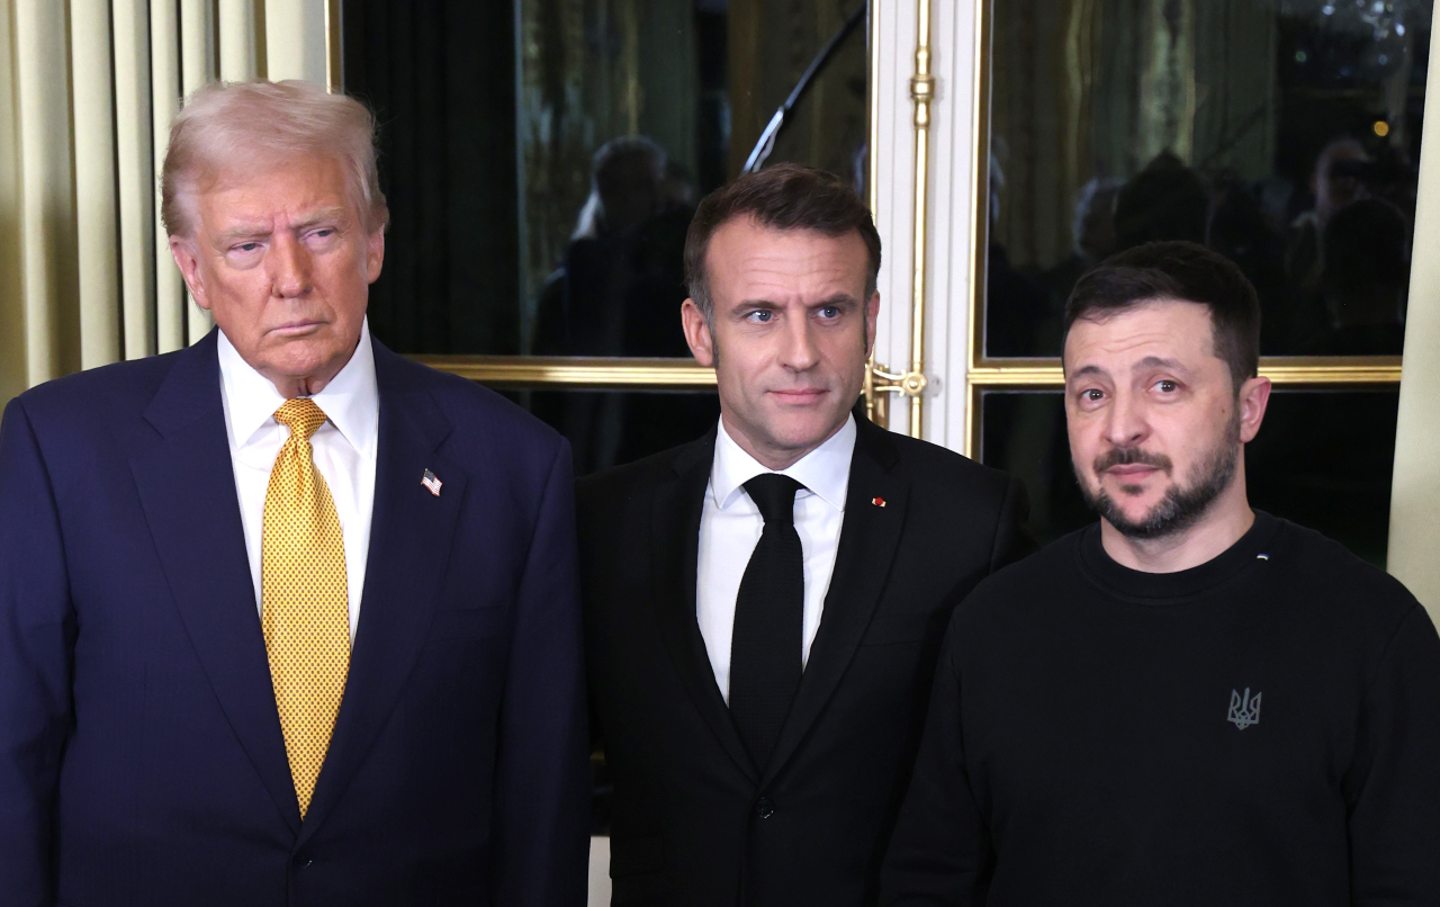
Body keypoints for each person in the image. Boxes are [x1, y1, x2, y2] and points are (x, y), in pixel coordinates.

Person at [0, 80, 589, 906]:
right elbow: (12, 766)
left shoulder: (515, 469)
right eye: (247, 245)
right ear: (193, 268)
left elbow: (542, 793)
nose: (291, 277)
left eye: (320, 232)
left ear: (375, 242)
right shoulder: (61, 451)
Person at [881, 241, 1440, 905]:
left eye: (1163, 386)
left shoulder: (1371, 632)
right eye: (1092, 392)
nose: (1121, 427)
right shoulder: (994, 625)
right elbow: (927, 883)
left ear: (1249, 408)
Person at [577, 164, 1028, 906]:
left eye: (830, 311)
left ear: (871, 321)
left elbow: (1014, 791)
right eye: (759, 313)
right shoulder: (602, 524)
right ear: (700, 330)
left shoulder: (970, 521)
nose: (800, 352)